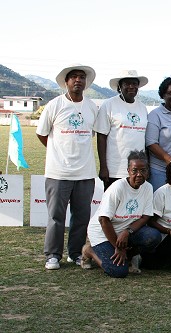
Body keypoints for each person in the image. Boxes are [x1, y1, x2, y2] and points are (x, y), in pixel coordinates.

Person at [36, 64, 99, 270]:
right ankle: (53, 255)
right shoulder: (54, 105)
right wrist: (57, 150)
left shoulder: (91, 107)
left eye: (82, 77)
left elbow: (93, 135)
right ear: (66, 82)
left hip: (85, 172)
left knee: (81, 216)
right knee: (56, 216)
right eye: (74, 77)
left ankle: (75, 253)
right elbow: (42, 133)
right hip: (58, 172)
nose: (78, 80)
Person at [82, 150, 162, 278]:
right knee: (118, 271)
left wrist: (127, 231)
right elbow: (103, 220)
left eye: (143, 170)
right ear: (128, 171)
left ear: (148, 171)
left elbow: (145, 217)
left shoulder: (148, 187)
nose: (139, 174)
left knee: (153, 236)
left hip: (124, 233)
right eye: (135, 170)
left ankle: (126, 257)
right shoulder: (118, 188)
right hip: (103, 233)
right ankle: (89, 251)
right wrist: (117, 247)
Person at [96, 70, 149, 191]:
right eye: (127, 83)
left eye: (134, 83)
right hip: (115, 169)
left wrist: (146, 167)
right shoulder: (109, 105)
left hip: (137, 170)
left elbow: (145, 140)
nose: (131, 87)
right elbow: (101, 137)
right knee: (113, 207)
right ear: (120, 86)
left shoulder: (142, 107)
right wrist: (103, 167)